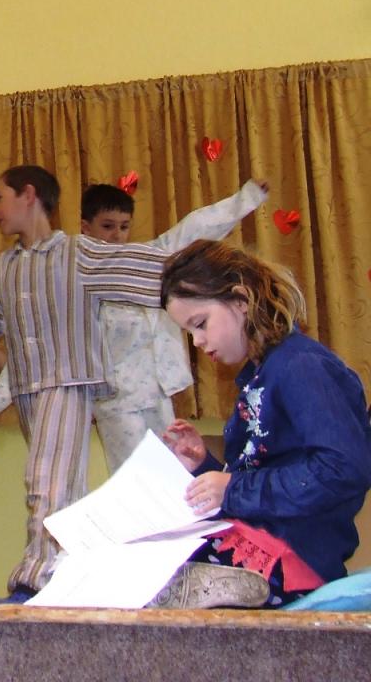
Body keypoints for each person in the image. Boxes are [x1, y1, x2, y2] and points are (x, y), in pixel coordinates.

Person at [0, 165, 171, 603]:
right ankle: (75, 581)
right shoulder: (4, 268)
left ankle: (34, 580)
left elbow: (142, 268)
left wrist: (211, 279)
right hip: (28, 390)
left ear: (28, 195)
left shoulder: (78, 253)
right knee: (65, 489)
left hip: (69, 383)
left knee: (47, 481)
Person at [0, 179, 267, 473]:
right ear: (86, 227)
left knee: (173, 469)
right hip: (116, 402)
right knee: (136, 477)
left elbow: (196, 229)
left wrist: (248, 197)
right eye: (107, 226)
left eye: (124, 226)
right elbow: (43, 340)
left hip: (158, 392)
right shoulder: (75, 281)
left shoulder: (148, 259)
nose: (117, 234)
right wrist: (1, 393)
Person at [157, 239, 371, 608]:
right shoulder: (259, 376)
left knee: (155, 572)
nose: (198, 341)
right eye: (190, 332)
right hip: (249, 540)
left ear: (241, 299)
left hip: (292, 560)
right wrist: (205, 468)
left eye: (201, 324)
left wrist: (232, 489)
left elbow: (343, 469)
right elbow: (261, 473)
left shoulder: (301, 365)